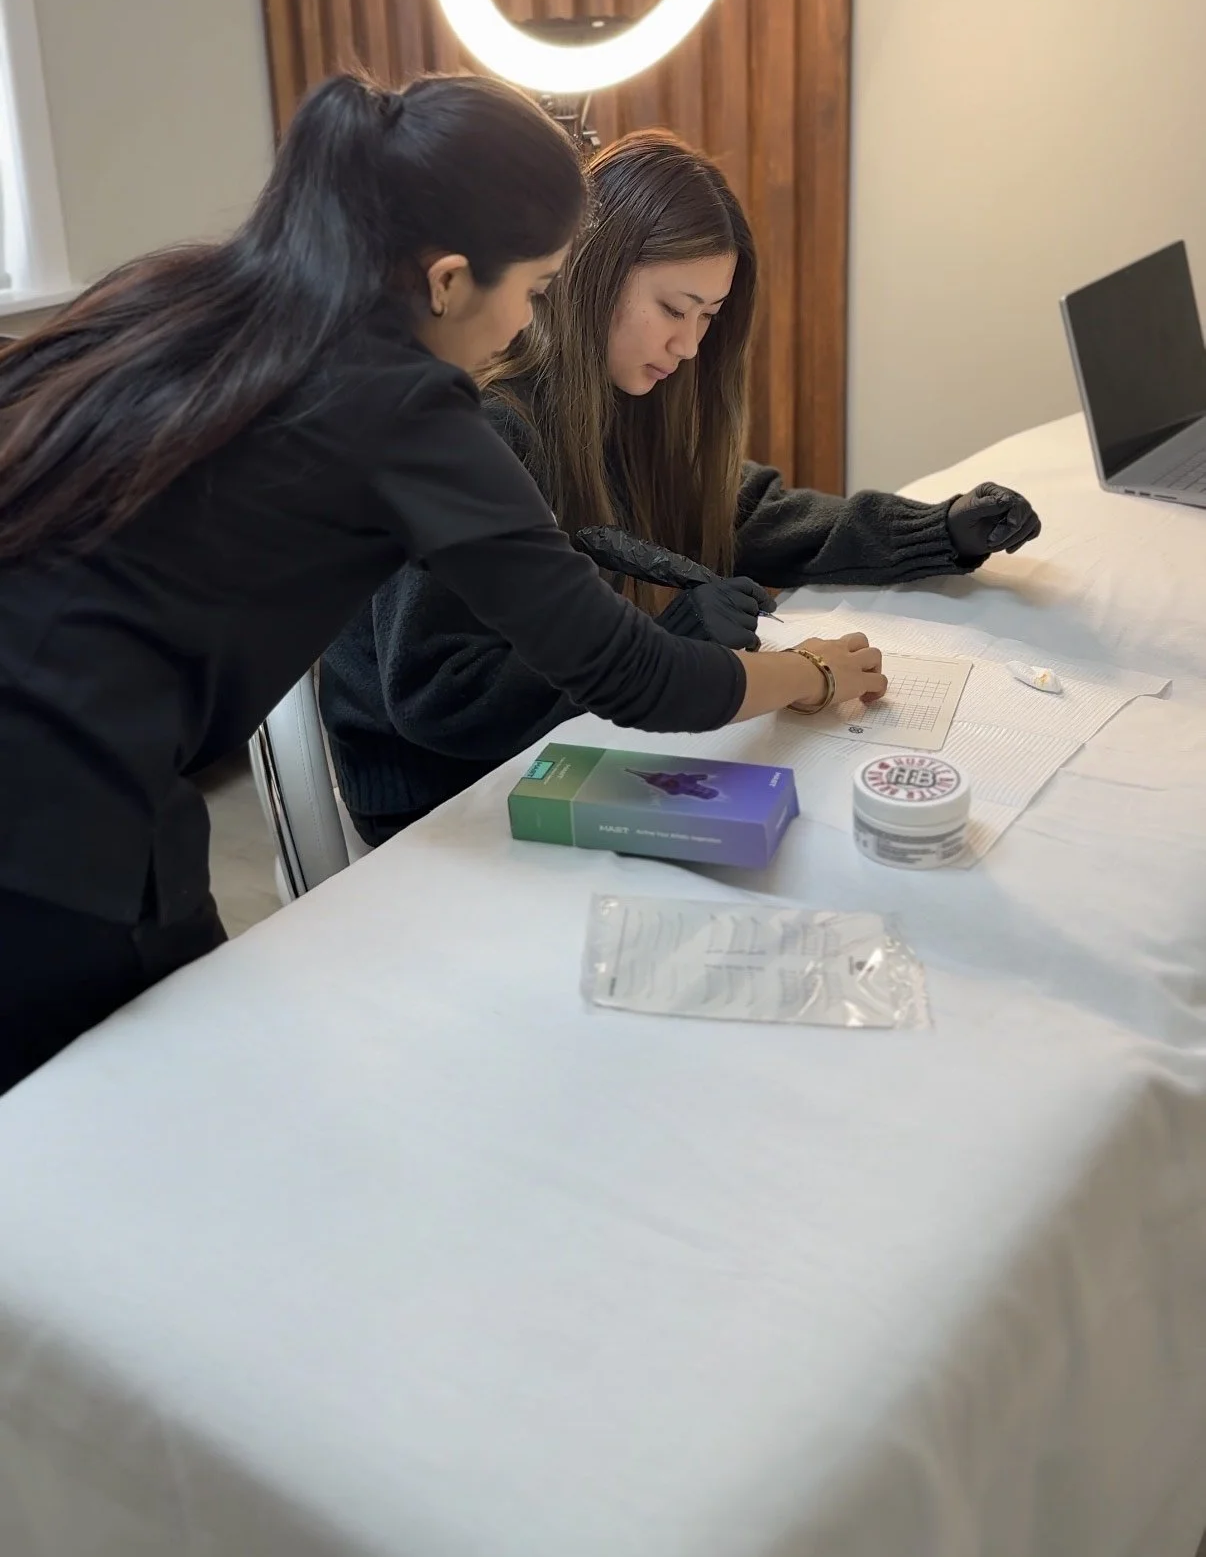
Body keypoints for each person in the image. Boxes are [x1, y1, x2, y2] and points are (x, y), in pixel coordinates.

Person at [0, 78, 882, 1095]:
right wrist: (803, 673)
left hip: (68, 755)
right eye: (538, 287)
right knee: (160, 1100)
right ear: (452, 278)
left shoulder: (192, 288)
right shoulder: (407, 411)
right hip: (62, 810)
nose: (528, 324)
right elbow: (625, 670)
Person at [321, 131, 1040, 847]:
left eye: (709, 317)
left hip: (555, 738)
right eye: (674, 309)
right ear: (593, 272)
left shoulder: (619, 394)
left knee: (804, 822)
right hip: (442, 799)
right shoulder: (488, 427)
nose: (691, 345)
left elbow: (744, 509)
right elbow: (442, 694)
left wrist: (938, 528)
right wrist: (662, 648)